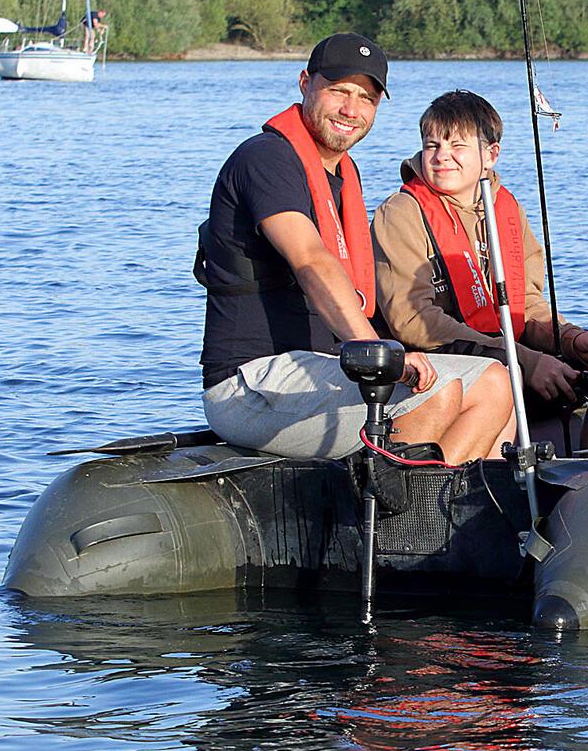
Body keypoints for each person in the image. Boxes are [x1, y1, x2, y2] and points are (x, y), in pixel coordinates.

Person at [196, 34, 513, 463]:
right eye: (339, 91)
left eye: (367, 98)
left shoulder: (344, 175)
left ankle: (436, 518)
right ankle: (394, 521)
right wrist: (376, 354)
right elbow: (310, 259)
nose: (352, 109)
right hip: (252, 382)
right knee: (433, 397)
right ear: (305, 82)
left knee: (495, 382)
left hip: (324, 369)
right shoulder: (266, 159)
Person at [371, 89, 588, 432]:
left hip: (511, 355)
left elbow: (526, 305)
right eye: (433, 146)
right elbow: (413, 321)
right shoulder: (400, 213)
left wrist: (574, 339)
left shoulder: (506, 209)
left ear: (491, 155)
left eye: (457, 146)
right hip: (448, 367)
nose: (442, 156)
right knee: (502, 378)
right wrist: (524, 361)